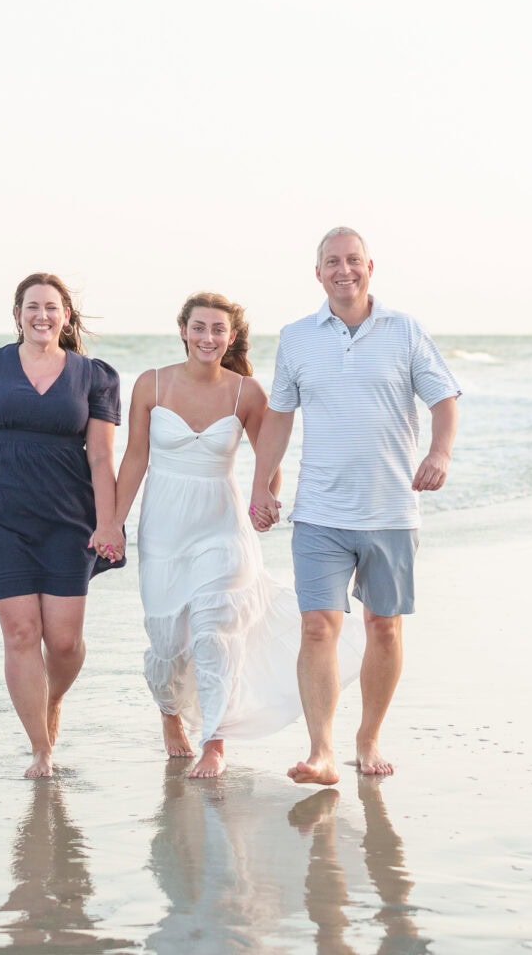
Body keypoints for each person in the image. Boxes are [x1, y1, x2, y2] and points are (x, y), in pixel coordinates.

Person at [105, 293, 362, 778]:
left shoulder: (247, 392)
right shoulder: (150, 384)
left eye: (218, 330)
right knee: (167, 641)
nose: (208, 337)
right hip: (163, 527)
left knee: (215, 630)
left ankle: (214, 741)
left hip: (222, 525)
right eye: (199, 327)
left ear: (231, 336)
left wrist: (264, 496)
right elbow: (134, 457)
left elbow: (270, 458)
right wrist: (113, 523)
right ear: (183, 329)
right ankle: (170, 714)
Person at [249, 227, 461, 785]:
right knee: (318, 626)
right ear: (317, 273)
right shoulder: (296, 337)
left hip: (391, 510)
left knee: (383, 628)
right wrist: (262, 486)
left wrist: (440, 452)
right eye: (332, 262)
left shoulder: (405, 330)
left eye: (353, 260)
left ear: (371, 267)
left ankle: (367, 738)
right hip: (319, 511)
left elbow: (443, 398)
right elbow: (279, 417)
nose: (344, 270)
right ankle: (321, 751)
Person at [0, 272, 125, 779]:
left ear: (66, 315)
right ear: (17, 316)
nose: (42, 315)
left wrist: (110, 523)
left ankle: (50, 700)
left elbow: (101, 458)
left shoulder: (94, 376)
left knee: (62, 643)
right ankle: (41, 749)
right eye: (32, 307)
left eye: (52, 307)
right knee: (20, 631)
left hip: (67, 515)